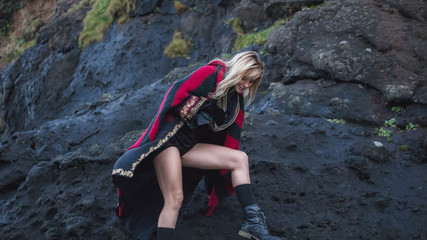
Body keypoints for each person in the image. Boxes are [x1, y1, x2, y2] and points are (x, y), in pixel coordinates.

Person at [112, 51, 280, 240]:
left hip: (190, 146)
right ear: (238, 70)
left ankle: (253, 224)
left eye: (252, 82)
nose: (247, 85)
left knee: (239, 159)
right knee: (174, 199)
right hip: (168, 143)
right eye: (245, 78)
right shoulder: (211, 74)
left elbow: (231, 135)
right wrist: (202, 105)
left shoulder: (234, 98)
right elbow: (174, 96)